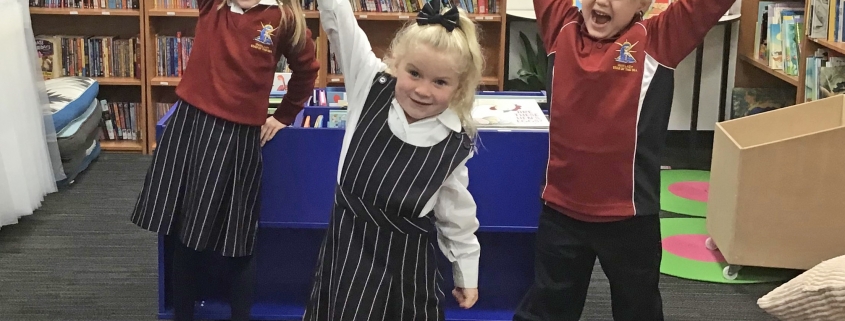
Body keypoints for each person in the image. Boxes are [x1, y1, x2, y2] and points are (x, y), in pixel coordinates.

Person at [512, 0, 738, 320]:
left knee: (638, 309)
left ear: (643, 4)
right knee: (549, 306)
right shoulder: (561, 28)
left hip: (630, 219)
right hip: (561, 212)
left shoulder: (658, 40)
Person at [128, 0, 319, 318]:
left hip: (240, 139)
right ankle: (183, 314)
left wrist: (283, 116)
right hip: (191, 128)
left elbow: (307, 71)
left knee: (239, 240)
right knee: (183, 235)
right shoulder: (213, 5)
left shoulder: (284, 18)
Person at [301, 0, 485, 320]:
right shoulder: (369, 85)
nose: (422, 90)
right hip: (348, 255)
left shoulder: (455, 141)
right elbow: (340, 22)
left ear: (458, 88)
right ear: (396, 64)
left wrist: (466, 270)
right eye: (414, 73)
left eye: (440, 82)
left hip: (406, 272)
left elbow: (456, 215)